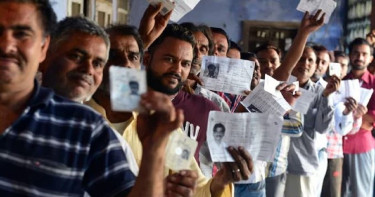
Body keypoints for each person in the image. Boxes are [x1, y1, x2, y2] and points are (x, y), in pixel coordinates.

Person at [0, 1, 180, 196]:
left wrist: (153, 151)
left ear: (43, 49)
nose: (7, 44)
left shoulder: (88, 128)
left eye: (22, 34)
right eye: (75, 56)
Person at [285, 46, 339, 197]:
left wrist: (327, 96)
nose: (305, 64)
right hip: (275, 165)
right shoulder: (280, 86)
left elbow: (323, 129)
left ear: (315, 66)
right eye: (301, 58)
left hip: (302, 164)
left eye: (310, 60)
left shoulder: (320, 92)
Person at [341, 38, 375, 197]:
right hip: (337, 149)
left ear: (370, 58)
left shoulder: (374, 84)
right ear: (349, 55)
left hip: (362, 147)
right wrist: (359, 116)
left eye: (364, 54)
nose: (360, 58)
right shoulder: (340, 82)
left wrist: (348, 115)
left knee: (361, 194)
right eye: (356, 53)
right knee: (336, 193)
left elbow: (370, 123)